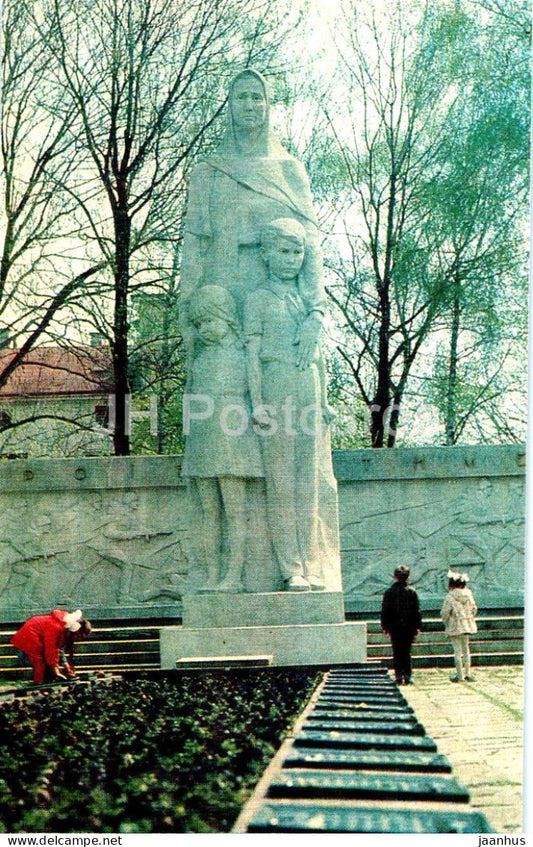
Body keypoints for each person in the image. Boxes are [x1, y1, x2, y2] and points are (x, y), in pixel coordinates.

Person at [180, 68, 326, 375]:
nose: (249, 105)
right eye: (242, 97)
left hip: (280, 306)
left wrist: (316, 312)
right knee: (220, 397)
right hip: (222, 300)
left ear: (268, 105)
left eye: (257, 98)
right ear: (230, 105)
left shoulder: (289, 170)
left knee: (285, 403)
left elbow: (311, 245)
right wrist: (187, 304)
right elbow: (193, 246)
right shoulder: (208, 172)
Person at [244, 218, 339, 591]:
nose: (291, 259)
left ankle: (313, 565)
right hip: (275, 382)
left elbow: (319, 358)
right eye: (283, 251)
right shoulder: (258, 299)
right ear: (267, 255)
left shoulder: (307, 301)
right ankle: (290, 567)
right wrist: (257, 403)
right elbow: (252, 355)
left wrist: (326, 400)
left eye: (297, 251)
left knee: (309, 484)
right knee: (281, 484)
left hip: (308, 389)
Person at [181, 285, 264, 593]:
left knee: (235, 509)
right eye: (198, 324)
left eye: (209, 322)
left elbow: (255, 395)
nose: (203, 330)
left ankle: (234, 576)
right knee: (209, 513)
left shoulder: (245, 355)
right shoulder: (199, 360)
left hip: (233, 434)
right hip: (203, 437)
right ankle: (213, 575)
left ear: (227, 318)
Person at [11, 609, 88, 684]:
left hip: (35, 635)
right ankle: (39, 683)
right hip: (30, 636)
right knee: (39, 662)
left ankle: (43, 681)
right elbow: (51, 650)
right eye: (78, 636)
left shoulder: (63, 627)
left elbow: (58, 648)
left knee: (44, 664)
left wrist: (67, 667)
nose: (78, 639)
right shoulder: (56, 628)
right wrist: (56, 671)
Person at [381, 565, 422, 684]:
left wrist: (385, 626)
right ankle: (408, 675)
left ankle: (398, 675)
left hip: (394, 627)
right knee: (407, 651)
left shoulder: (389, 592)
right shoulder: (412, 592)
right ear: (408, 578)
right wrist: (418, 626)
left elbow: (385, 610)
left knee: (397, 651)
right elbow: (417, 610)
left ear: (394, 577)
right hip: (409, 626)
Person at [441, 570, 478, 682]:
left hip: (455, 625)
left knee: (457, 651)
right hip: (467, 624)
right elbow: (474, 609)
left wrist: (446, 621)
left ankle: (460, 675)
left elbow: (445, 612)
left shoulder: (450, 596)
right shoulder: (468, 594)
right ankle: (468, 673)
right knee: (466, 649)